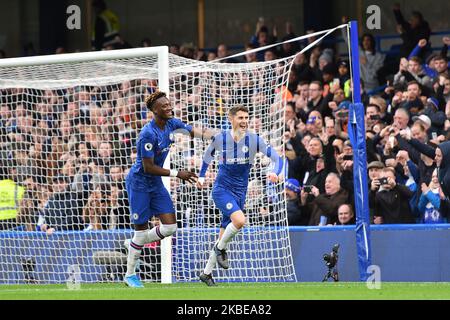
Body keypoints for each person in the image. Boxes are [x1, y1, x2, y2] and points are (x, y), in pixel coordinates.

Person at [123, 91, 214, 288]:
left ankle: (134, 245)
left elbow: (193, 132)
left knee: (170, 227)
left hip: (155, 184)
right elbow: (148, 167)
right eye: (164, 106)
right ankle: (130, 275)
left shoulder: (172, 123)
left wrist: (216, 137)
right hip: (139, 183)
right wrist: (176, 173)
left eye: (169, 104)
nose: (169, 108)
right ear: (154, 111)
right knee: (141, 230)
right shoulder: (148, 133)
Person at [196, 105, 282, 286]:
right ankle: (220, 249)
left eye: (246, 118)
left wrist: (275, 171)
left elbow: (277, 158)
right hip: (222, 190)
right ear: (231, 119)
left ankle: (206, 273)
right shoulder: (221, 139)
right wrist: (202, 176)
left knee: (224, 234)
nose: (244, 121)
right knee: (240, 221)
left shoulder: (254, 140)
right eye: (240, 118)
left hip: (240, 194)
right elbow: (207, 156)